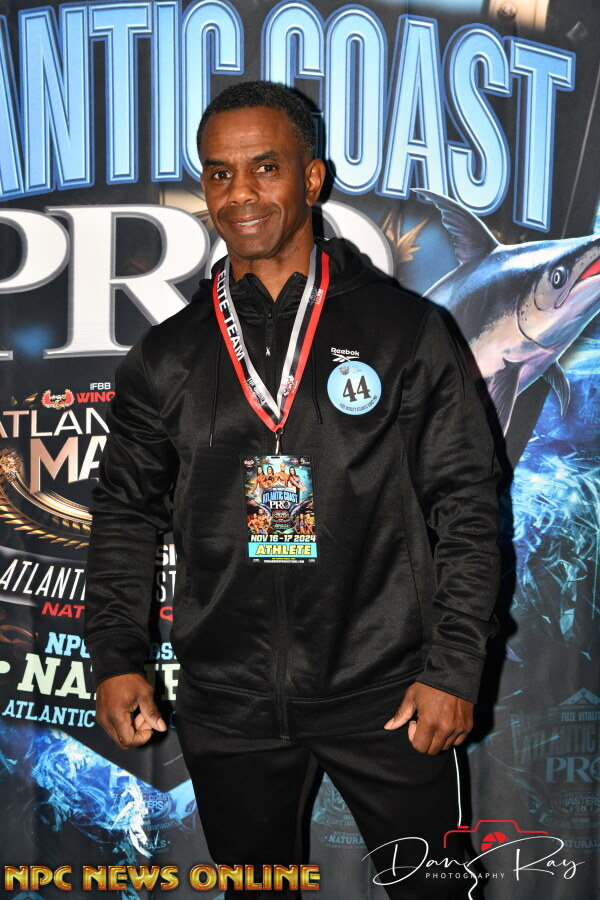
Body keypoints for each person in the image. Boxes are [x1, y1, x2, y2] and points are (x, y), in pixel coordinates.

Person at [84, 81, 502, 899]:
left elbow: (465, 504)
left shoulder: (404, 332)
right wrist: (116, 656)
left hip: (387, 694)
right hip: (228, 705)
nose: (240, 193)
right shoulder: (167, 357)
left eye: (265, 168)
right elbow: (126, 515)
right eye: (219, 173)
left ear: (312, 178)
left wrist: (454, 669)